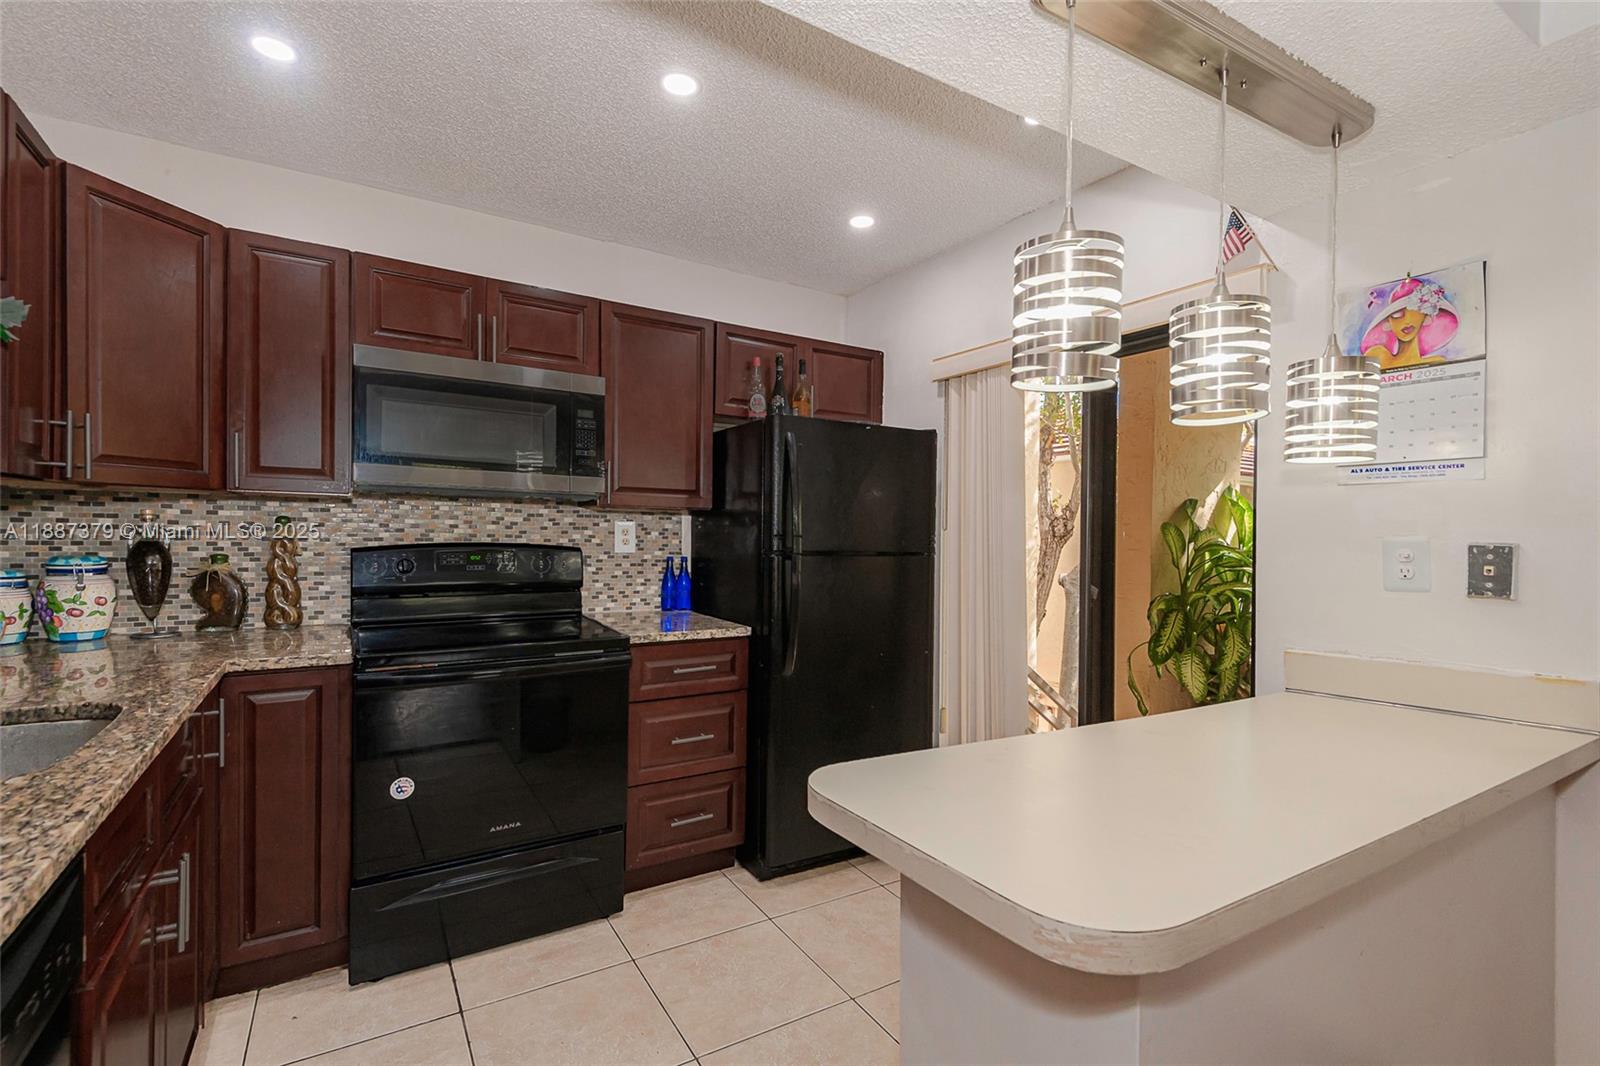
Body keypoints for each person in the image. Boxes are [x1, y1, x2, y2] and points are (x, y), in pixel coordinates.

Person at [1359, 275, 1459, 371]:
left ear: (1426, 318)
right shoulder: (1378, 355)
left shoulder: (1436, 362)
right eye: (1397, 315)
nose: (1407, 321)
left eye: (1414, 313)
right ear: (1388, 323)